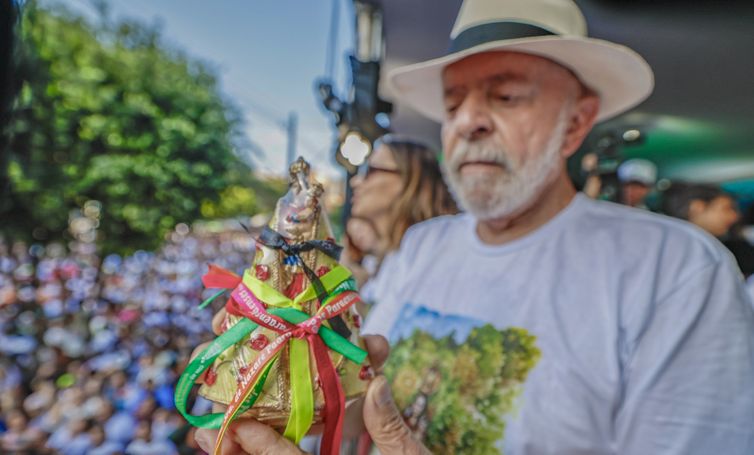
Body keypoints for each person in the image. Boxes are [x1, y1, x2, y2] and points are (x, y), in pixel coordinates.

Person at [196, 0, 754, 453]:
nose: (467, 122)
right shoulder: (425, 243)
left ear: (577, 121)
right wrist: (286, 389)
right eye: (453, 102)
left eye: (506, 95)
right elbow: (366, 395)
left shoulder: (675, 268)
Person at [344, 135, 457, 289]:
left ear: (410, 180)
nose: (355, 181)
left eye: (369, 171)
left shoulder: (434, 264)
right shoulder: (390, 263)